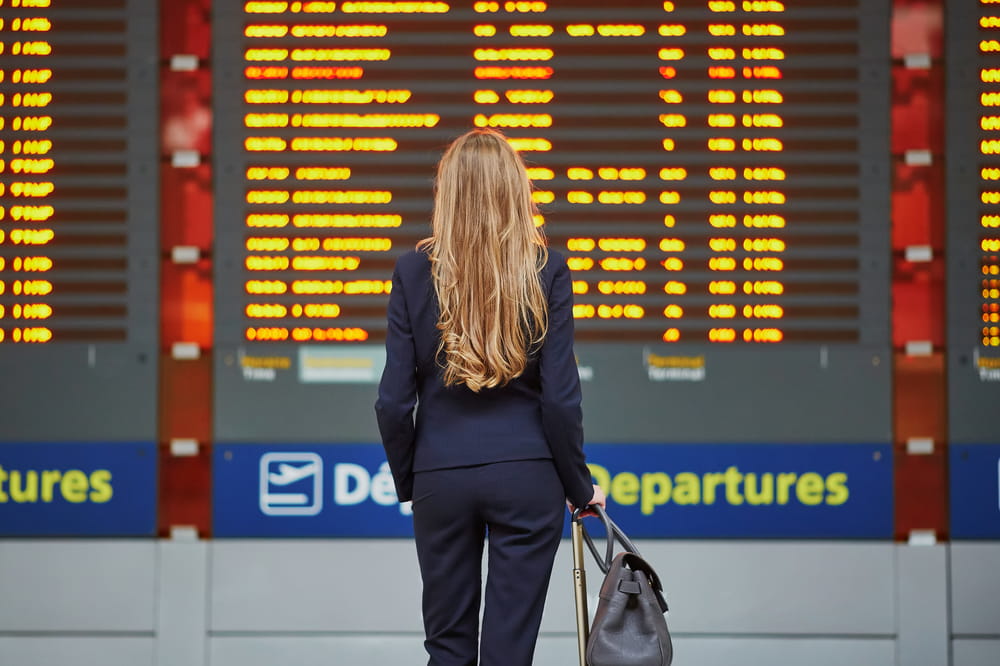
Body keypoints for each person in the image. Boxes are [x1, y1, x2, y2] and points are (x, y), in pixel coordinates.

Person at [375, 128, 605, 666]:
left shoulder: (412, 272)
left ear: (446, 192)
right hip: (527, 478)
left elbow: (391, 403)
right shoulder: (547, 269)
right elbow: (561, 402)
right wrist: (579, 485)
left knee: (448, 649)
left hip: (440, 479)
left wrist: (415, 478)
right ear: (516, 190)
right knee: (508, 652)